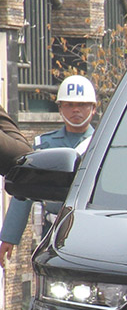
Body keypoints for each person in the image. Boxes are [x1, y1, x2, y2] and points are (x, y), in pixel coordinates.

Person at [1, 75, 97, 262]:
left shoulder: (102, 143)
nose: (75, 110)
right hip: (52, 231)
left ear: (93, 108)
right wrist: (9, 236)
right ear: (60, 108)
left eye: (83, 104)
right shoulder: (44, 144)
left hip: (92, 229)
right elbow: (25, 190)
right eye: (69, 105)